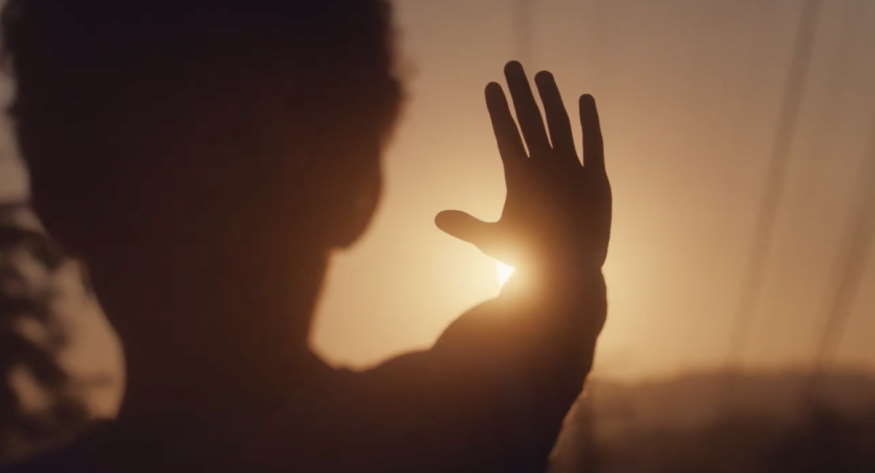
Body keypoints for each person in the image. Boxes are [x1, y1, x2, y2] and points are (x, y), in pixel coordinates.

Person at [1, 1, 611, 472]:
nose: (214, 233)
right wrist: (559, 284)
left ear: (56, 198)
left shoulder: (418, 436)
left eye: (248, 168)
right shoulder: (412, 442)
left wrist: (559, 292)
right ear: (360, 192)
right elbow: (520, 366)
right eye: (163, 163)